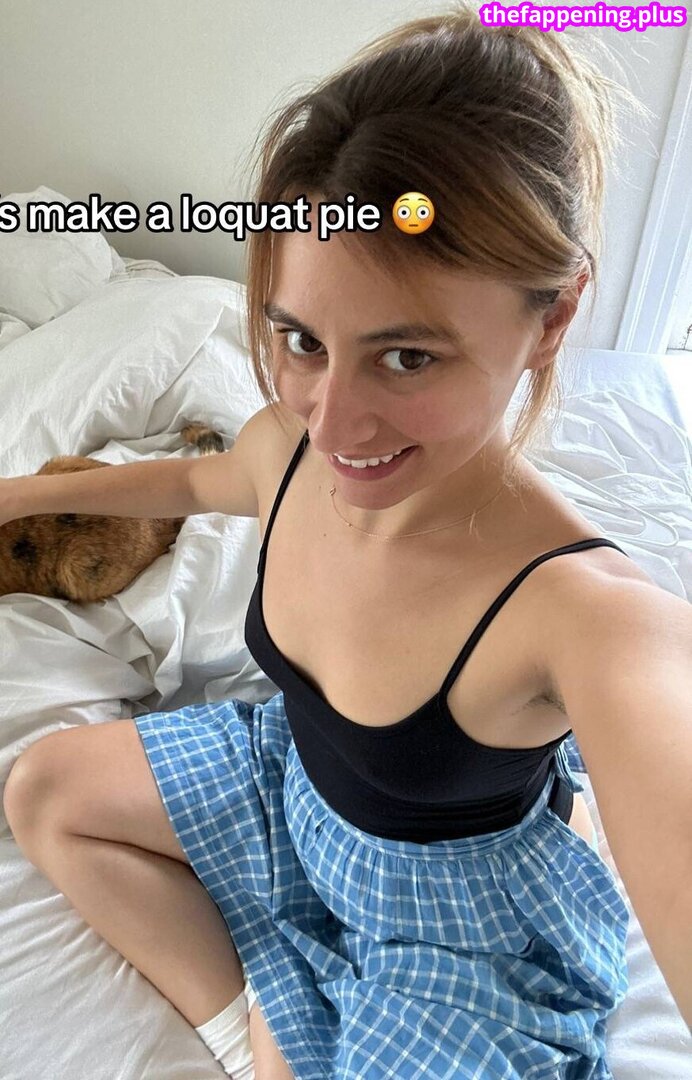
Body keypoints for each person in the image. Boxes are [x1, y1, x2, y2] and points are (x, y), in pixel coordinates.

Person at [3, 4, 691, 1078]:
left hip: (457, 931)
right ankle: (256, 1033)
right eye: (301, 339)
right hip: (300, 790)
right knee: (44, 790)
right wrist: (10, 498)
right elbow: (198, 478)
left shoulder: (590, 616)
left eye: (407, 357)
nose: (334, 424)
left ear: (552, 318)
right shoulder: (287, 446)